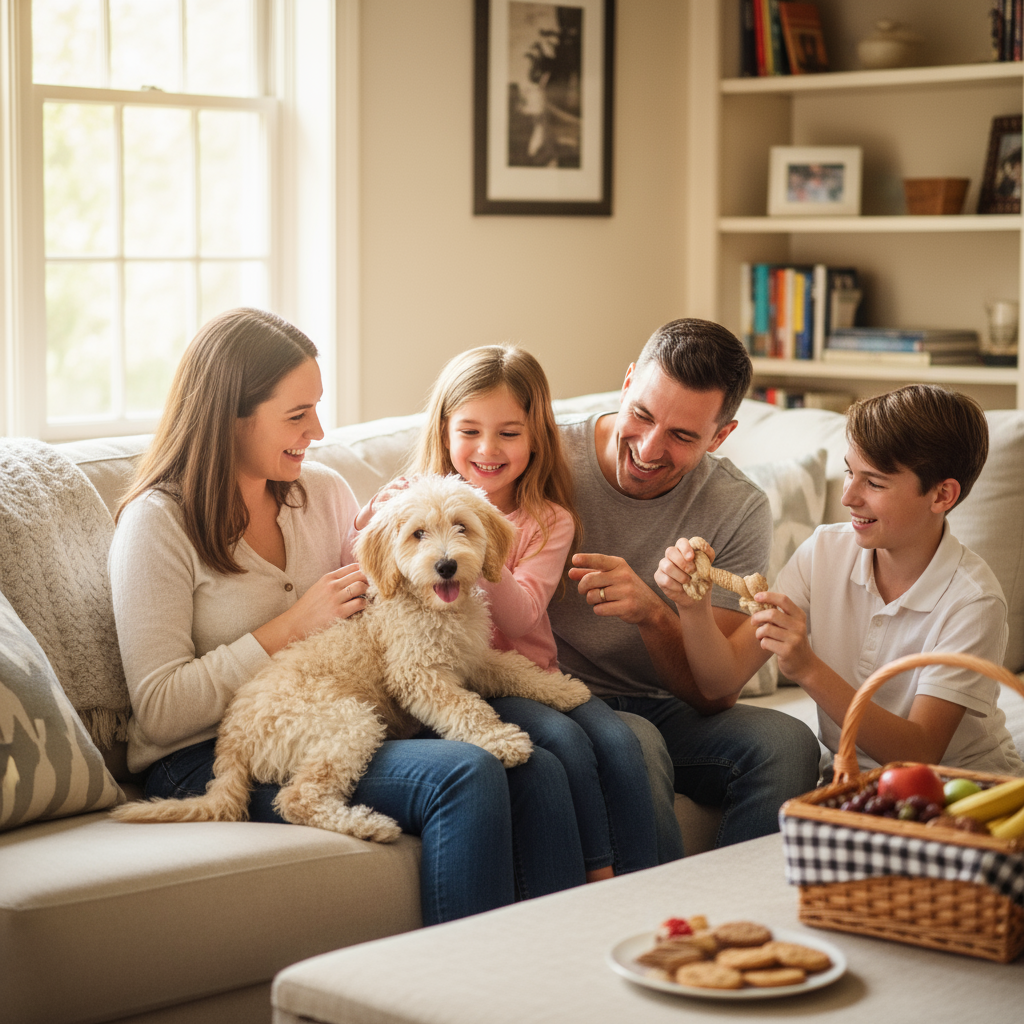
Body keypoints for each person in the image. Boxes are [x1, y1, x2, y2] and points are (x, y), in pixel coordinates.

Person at [108, 307, 589, 927]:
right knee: (466, 772)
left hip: (334, 706)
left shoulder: (324, 492)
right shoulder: (156, 524)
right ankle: (462, 992)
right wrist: (289, 627)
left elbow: (393, 605)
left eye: (317, 407)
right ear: (230, 415)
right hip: (200, 754)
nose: (318, 428)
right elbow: (160, 707)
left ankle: (555, 966)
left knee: (539, 769)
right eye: (297, 414)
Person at [359, 345, 659, 880]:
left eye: (509, 433)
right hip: (460, 682)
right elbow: (368, 565)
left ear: (536, 437)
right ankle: (598, 875)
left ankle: (648, 883)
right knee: (562, 742)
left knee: (618, 738)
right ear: (445, 431)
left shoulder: (548, 521)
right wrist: (389, 523)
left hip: (526, 674)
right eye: (469, 431)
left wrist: (480, 537)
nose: (487, 449)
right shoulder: (410, 499)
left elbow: (520, 621)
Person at [548, 318, 822, 853]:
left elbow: (713, 695)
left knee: (788, 743)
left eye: (681, 435)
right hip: (562, 697)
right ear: (627, 383)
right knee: (638, 743)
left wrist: (655, 614)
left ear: (721, 436)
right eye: (641, 415)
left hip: (667, 706)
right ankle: (661, 928)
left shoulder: (736, 507)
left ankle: (734, 920)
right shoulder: (547, 459)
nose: (649, 449)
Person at [657, 384, 1023, 776]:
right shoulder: (824, 552)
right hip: (850, 779)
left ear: (942, 495)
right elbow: (720, 681)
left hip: (959, 788)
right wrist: (693, 608)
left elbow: (919, 753)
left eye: (875, 482)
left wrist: (808, 668)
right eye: (850, 471)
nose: (848, 496)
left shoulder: (973, 602)